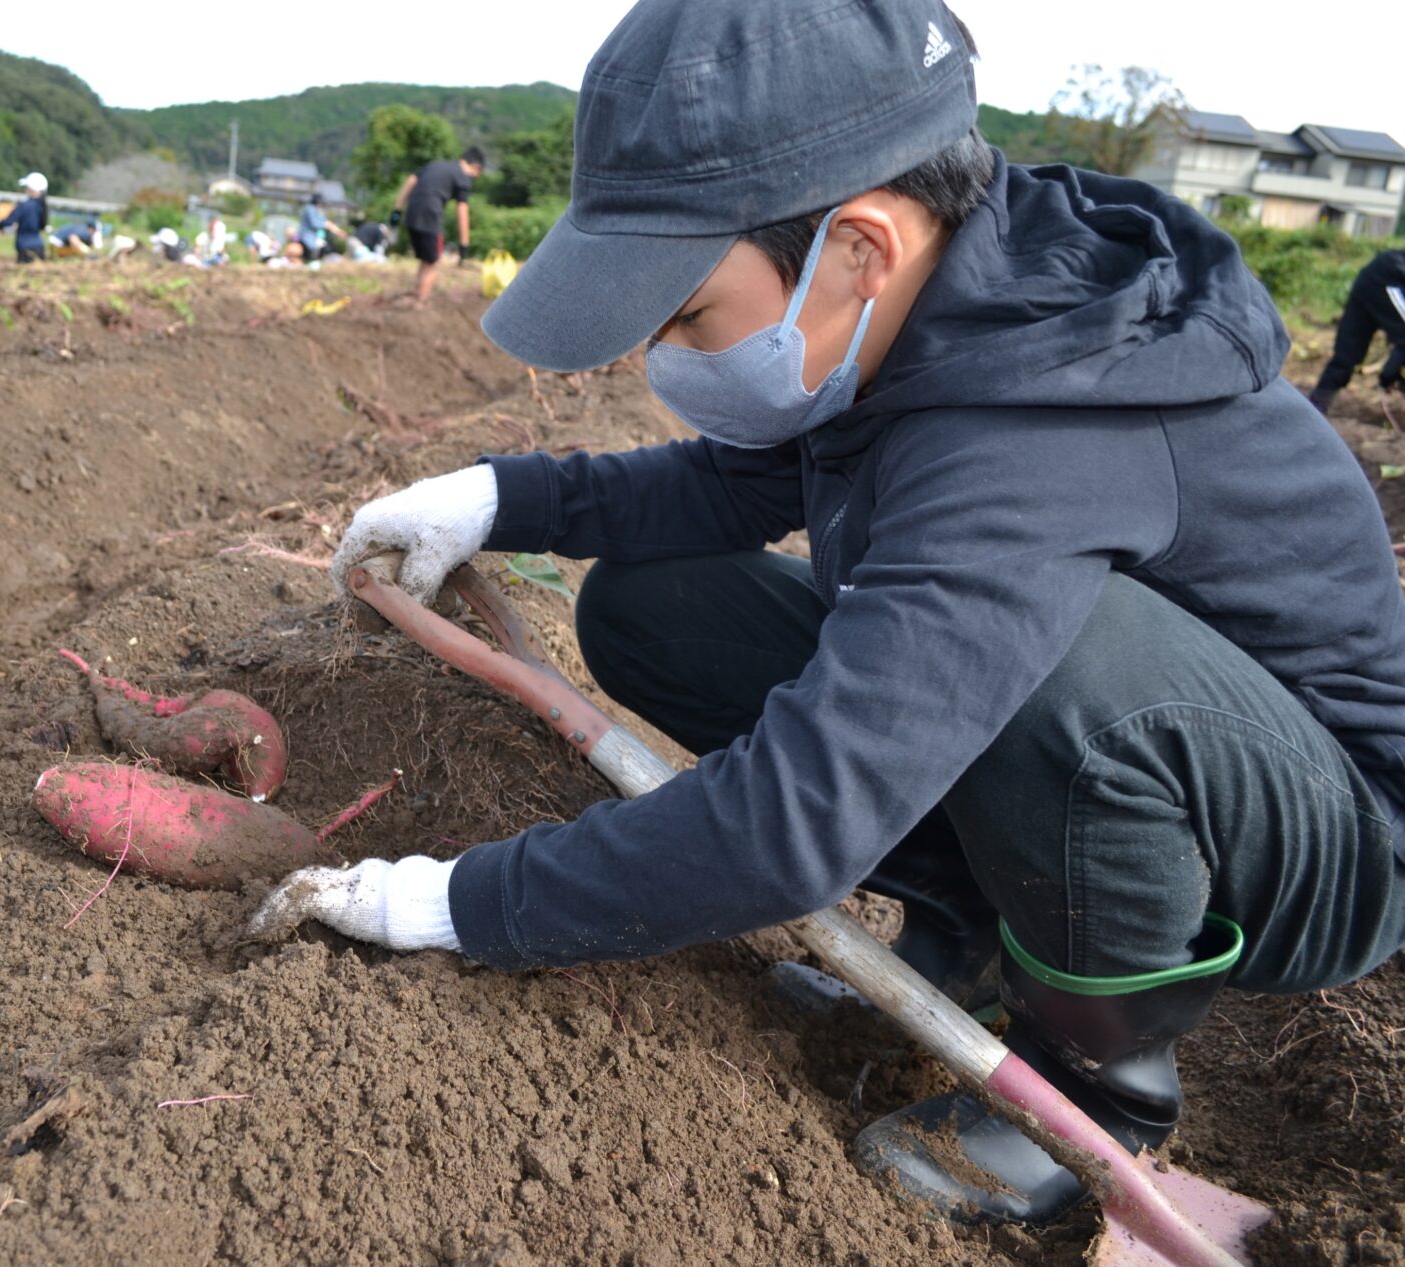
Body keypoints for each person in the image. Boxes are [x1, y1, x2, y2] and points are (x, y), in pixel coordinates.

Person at [251, 0, 1405, 1232]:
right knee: (656, 602)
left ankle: (1090, 1098)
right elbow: (734, 486)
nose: (665, 356)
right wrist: (499, 497)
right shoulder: (944, 308)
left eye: (688, 315)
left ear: (859, 246)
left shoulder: (1044, 420)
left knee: (1057, 667)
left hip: (1320, 840)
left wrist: (457, 901)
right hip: (1126, 753)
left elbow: (790, 822)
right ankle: (969, 934)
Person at [1309, 248, 1405, 416]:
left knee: (1346, 355)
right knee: (1347, 353)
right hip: (1389, 276)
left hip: (1373, 276)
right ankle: (1313, 410)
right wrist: (1388, 375)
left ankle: (1315, 406)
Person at [393, 146, 482, 302]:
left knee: (425, 259)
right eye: (477, 174)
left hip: (412, 212)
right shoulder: (463, 176)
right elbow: (462, 211)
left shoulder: (436, 165)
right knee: (432, 262)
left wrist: (397, 210)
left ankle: (416, 294)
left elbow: (411, 180)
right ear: (476, 167)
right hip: (430, 215)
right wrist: (464, 245)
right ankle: (421, 304)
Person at [0, 172, 49, 263]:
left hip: (25, 248)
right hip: (40, 247)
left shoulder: (25, 205)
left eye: (26, 187)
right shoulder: (42, 206)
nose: (25, 189)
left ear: (31, 188)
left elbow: (9, 221)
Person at [296, 193, 342, 263]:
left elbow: (324, 221)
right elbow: (315, 223)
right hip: (307, 237)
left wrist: (335, 229)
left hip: (315, 237)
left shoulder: (315, 210)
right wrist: (327, 225)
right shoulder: (310, 209)